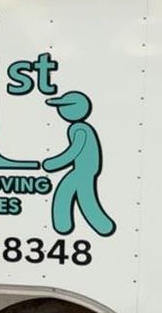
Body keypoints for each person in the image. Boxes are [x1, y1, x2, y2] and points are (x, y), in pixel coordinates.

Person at [41, 91, 116, 237]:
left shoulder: (79, 129)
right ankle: (63, 225)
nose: (60, 111)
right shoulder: (79, 127)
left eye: (62, 107)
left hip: (84, 169)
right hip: (83, 169)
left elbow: (74, 151)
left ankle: (103, 227)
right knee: (66, 193)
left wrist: (53, 164)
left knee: (85, 200)